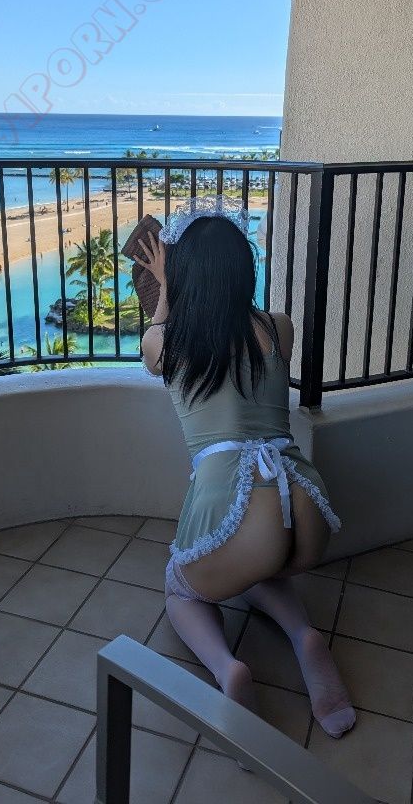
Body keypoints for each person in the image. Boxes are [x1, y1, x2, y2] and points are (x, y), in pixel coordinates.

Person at [133, 197, 355, 740]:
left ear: (183, 277)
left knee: (183, 587)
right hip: (304, 500)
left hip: (240, 499)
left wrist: (164, 288)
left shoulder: (165, 342)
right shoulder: (279, 327)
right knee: (258, 563)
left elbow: (157, 341)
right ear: (244, 270)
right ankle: (303, 636)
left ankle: (227, 667)